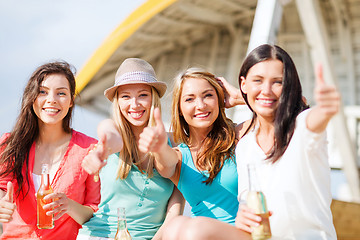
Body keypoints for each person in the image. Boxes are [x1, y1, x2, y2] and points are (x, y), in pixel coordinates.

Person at [235, 44, 338, 239]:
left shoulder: (301, 129)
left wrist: (325, 108)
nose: (266, 90)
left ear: (289, 87)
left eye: (277, 82)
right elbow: (248, 206)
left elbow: (313, 120)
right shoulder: (245, 147)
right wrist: (243, 218)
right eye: (258, 80)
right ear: (243, 84)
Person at [78, 58, 185, 240]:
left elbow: (174, 213)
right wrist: (100, 152)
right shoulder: (111, 129)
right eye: (126, 96)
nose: (134, 104)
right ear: (117, 102)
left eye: (142, 95)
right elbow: (109, 137)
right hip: (100, 235)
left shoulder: (175, 144)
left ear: (153, 98)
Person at [138, 68, 250, 239]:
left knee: (187, 228)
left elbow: (293, 109)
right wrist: (160, 147)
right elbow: (166, 164)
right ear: (180, 109)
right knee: (176, 227)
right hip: (197, 234)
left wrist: (240, 97)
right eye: (190, 99)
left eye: (208, 95)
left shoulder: (240, 135)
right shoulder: (180, 156)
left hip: (243, 233)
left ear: (219, 99)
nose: (201, 105)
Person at [0, 61, 101, 239]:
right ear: (32, 98)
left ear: (71, 101)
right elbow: (2, 189)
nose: (52, 99)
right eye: (43, 92)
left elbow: (94, 213)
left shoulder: (90, 149)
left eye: (61, 93)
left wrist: (69, 205)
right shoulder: (10, 143)